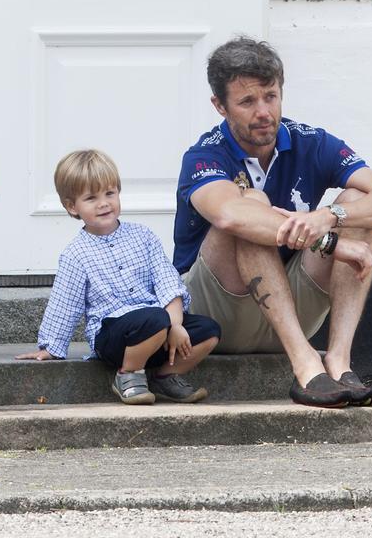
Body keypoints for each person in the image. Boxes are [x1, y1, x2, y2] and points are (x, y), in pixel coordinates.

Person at [175, 37, 372, 409]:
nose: (264, 112)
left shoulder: (311, 142)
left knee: (356, 204)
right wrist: (330, 242)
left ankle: (338, 361)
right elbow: (228, 215)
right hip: (217, 314)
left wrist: (330, 217)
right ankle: (305, 364)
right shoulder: (204, 155)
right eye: (247, 102)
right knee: (249, 206)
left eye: (270, 96)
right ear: (219, 106)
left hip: (288, 303)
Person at [17, 150, 220, 405]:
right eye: (91, 198)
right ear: (72, 207)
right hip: (115, 337)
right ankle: (127, 374)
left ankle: (164, 376)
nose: (103, 203)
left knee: (208, 330)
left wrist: (177, 325)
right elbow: (65, 303)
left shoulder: (143, 237)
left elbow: (168, 284)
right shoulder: (76, 254)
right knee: (154, 319)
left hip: (159, 327)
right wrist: (51, 346)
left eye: (110, 194)